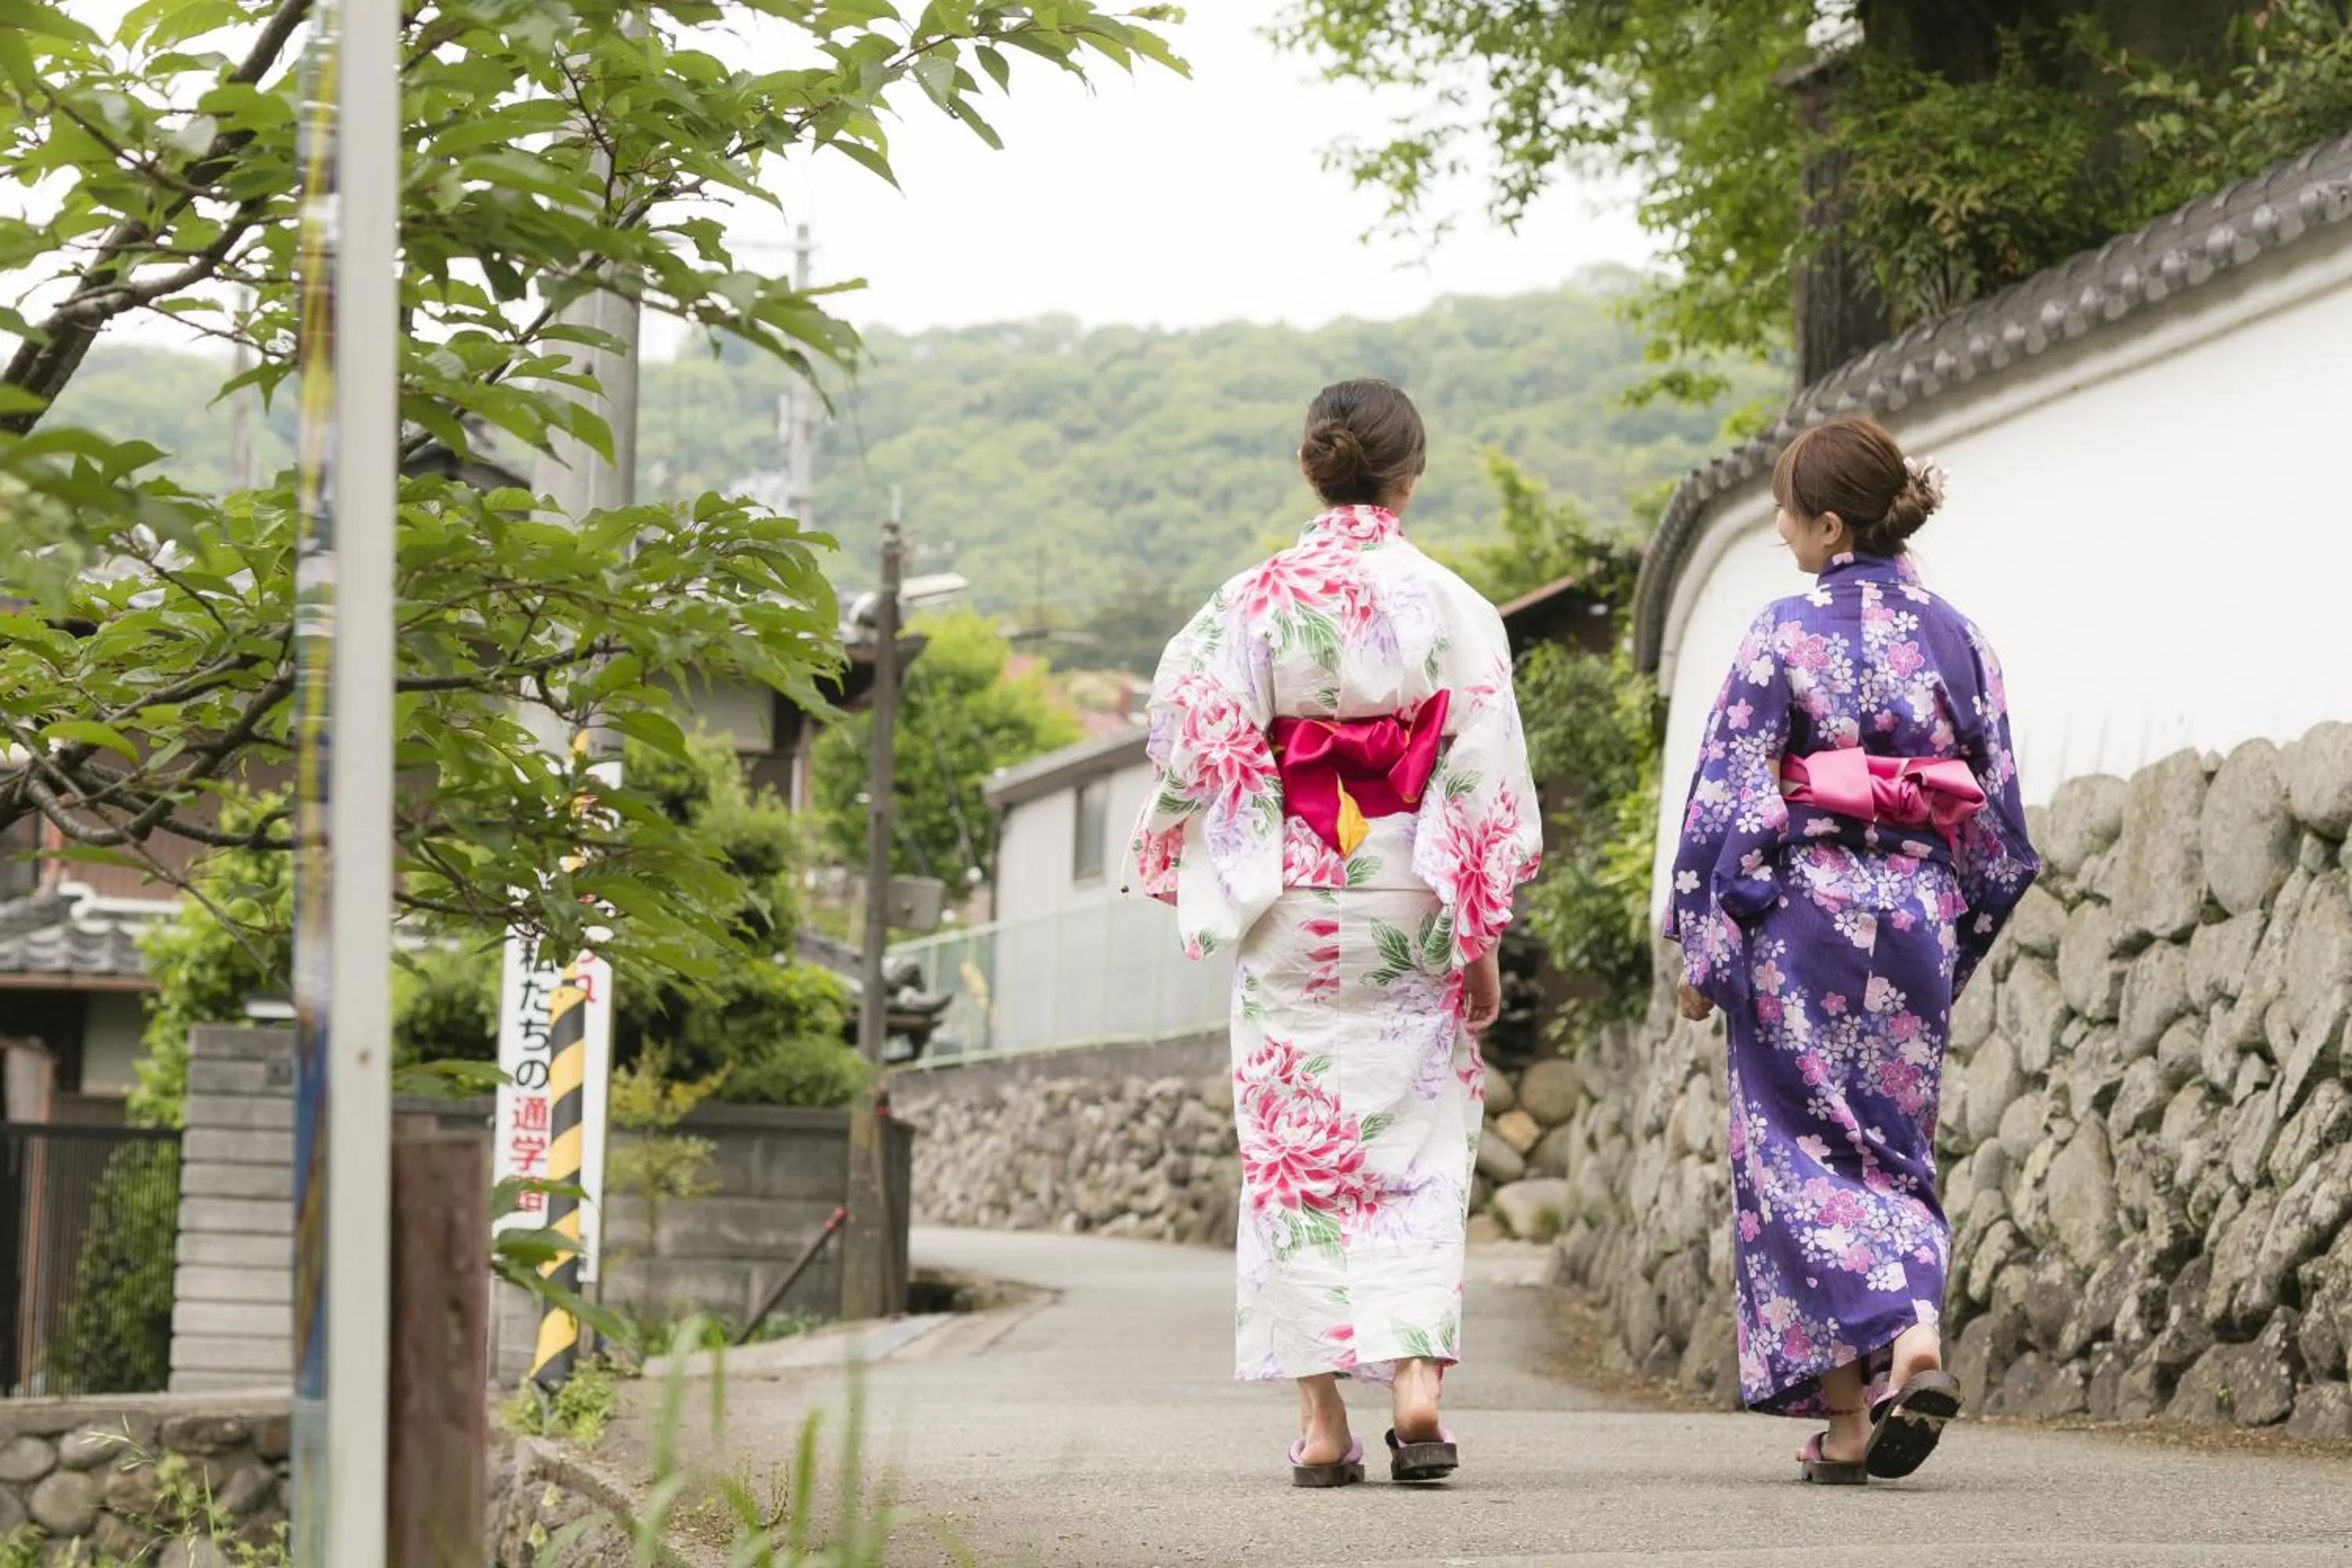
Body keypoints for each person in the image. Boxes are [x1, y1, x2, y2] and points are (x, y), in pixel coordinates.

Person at [1127, 379, 1542, 1489]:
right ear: (1411, 476)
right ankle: (1415, 1381)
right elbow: (1479, 776)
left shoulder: (1250, 601)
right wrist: (1481, 940)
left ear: (1313, 468)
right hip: (1412, 886)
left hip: (1293, 891)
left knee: (1291, 1150)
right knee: (1420, 1144)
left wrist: (1243, 823)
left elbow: (1187, 728)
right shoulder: (1456, 606)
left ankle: (1321, 1423)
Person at [1664, 416, 2039, 1485]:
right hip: (1913, 911)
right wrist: (1948, 928)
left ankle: (1874, 1367)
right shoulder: (1960, 638)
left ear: (1830, 526)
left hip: (1802, 917)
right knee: (1889, 1145)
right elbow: (2000, 828)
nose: (1780, 530)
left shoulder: (1782, 631)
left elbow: (1730, 793)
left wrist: (1706, 943)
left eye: (1788, 513)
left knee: (1792, 1153)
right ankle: (1881, 1376)